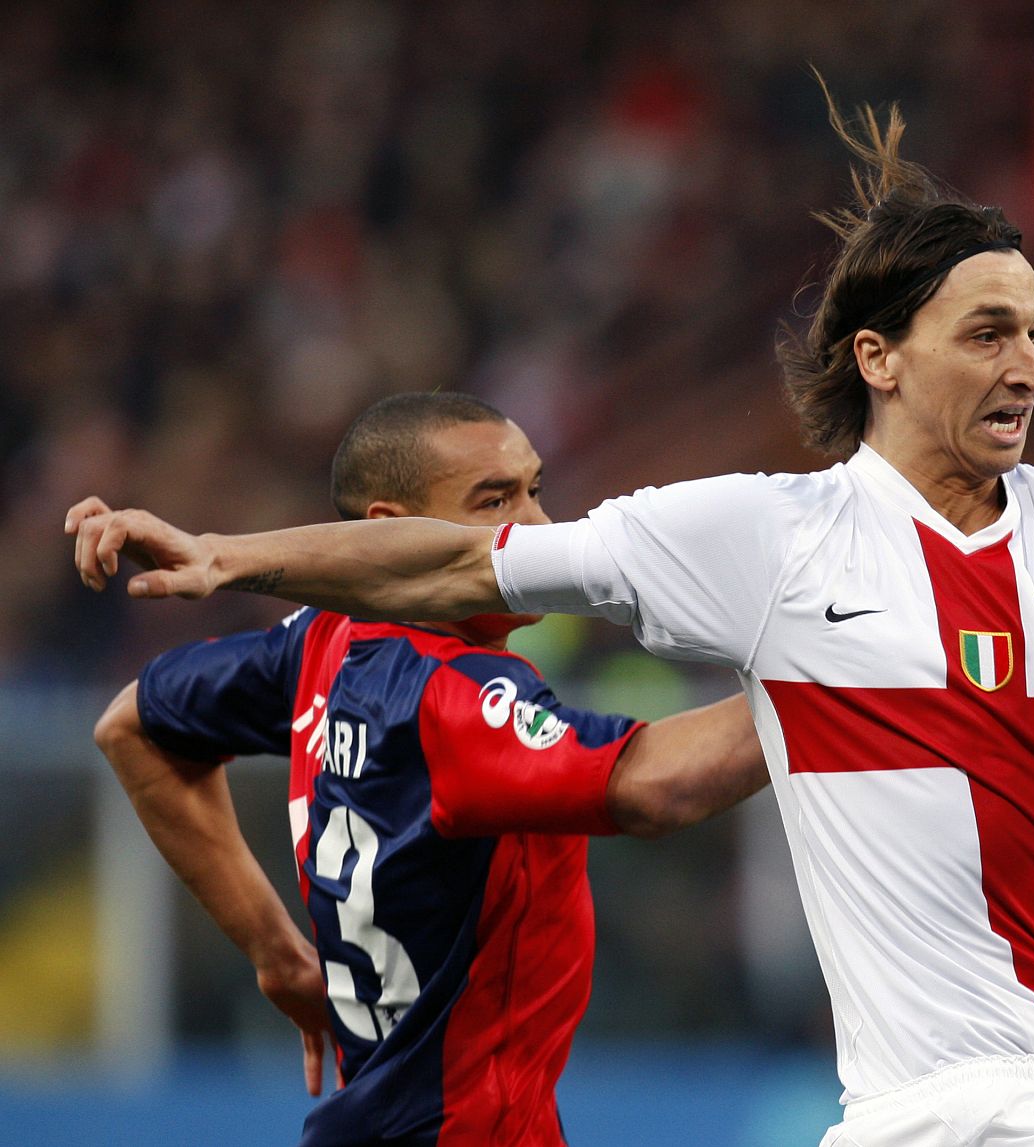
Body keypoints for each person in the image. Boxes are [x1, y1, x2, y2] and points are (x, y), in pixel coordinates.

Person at [70, 96, 1034, 1147]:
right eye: (991, 332)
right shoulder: (767, 535)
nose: (1031, 367)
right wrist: (228, 549)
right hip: (884, 1112)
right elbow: (461, 572)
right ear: (879, 358)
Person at [85, 392, 767, 1147]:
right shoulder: (449, 694)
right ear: (390, 531)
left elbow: (132, 727)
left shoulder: (323, 639)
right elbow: (654, 784)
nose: (538, 528)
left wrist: (274, 952)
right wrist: (825, 676)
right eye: (494, 500)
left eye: (535, 490)